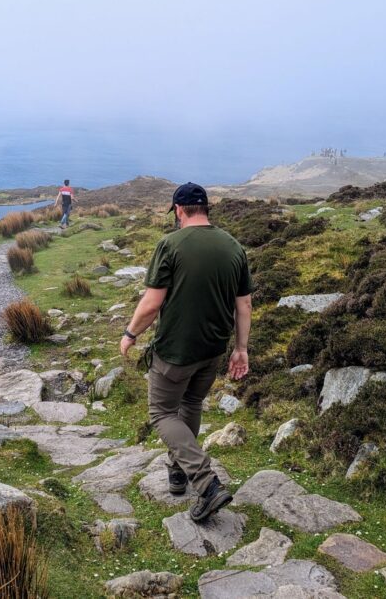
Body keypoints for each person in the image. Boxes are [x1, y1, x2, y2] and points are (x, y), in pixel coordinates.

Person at [120, 182, 253, 522]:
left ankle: (206, 483)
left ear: (178, 210)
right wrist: (241, 349)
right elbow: (244, 304)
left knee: (162, 413)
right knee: (191, 404)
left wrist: (130, 333)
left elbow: (151, 304)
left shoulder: (170, 244)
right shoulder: (233, 246)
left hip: (176, 350)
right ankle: (178, 471)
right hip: (214, 348)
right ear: (206, 208)